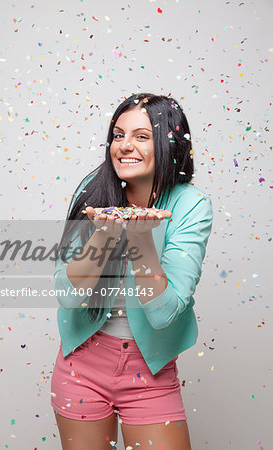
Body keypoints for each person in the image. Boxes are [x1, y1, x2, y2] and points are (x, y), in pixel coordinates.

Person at [50, 93, 213, 450]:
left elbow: (164, 313)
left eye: (141, 136)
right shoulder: (92, 191)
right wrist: (106, 233)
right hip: (82, 366)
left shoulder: (191, 205)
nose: (124, 146)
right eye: (118, 135)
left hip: (150, 370)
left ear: (170, 142)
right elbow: (66, 293)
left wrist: (140, 239)